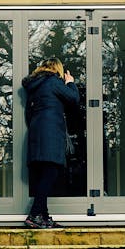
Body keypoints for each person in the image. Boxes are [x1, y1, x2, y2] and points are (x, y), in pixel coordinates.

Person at [22, 58, 79, 229]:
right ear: (57, 69)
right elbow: (74, 98)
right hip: (50, 133)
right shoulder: (53, 81)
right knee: (51, 172)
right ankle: (34, 215)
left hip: (37, 132)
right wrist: (71, 83)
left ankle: (44, 217)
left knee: (44, 174)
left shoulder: (35, 86)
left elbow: (29, 113)